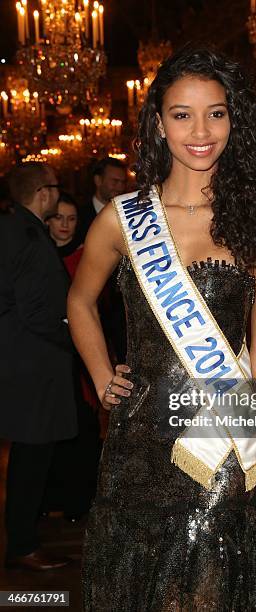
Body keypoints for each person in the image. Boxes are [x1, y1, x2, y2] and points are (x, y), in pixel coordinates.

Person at [68, 47, 256, 610]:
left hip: (219, 447)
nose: (201, 131)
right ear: (158, 122)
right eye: (182, 114)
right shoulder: (123, 218)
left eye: (216, 113)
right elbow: (78, 300)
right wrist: (101, 376)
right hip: (136, 442)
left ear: (234, 121)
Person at [0, 162, 77, 570]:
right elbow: (35, 311)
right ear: (43, 193)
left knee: (30, 456)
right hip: (34, 362)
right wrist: (76, 336)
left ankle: (23, 537)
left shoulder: (10, 227)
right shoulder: (29, 235)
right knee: (32, 458)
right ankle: (23, 544)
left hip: (21, 358)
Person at [43, 193, 101, 520]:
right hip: (48, 359)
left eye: (71, 219)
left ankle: (78, 503)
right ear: (48, 220)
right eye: (58, 218)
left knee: (82, 430)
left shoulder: (87, 257)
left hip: (80, 358)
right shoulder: (36, 255)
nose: (65, 225)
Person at [78, 157, 128, 363]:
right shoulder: (78, 216)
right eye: (114, 181)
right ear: (98, 181)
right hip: (90, 304)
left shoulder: (130, 217)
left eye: (122, 182)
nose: (119, 187)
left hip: (121, 309)